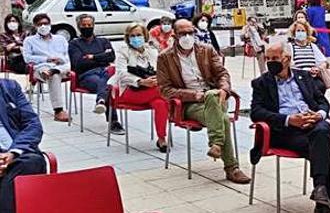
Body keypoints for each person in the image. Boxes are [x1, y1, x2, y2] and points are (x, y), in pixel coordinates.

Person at [250, 43, 330, 213]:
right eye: (267, 59)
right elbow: (256, 112)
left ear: (287, 59)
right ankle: (322, 203)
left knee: (321, 131)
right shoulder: (262, 83)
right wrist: (289, 119)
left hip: (310, 125)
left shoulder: (304, 76)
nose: (270, 62)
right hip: (284, 131)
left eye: (274, 58)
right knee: (322, 145)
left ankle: (321, 192)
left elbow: (322, 102)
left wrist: (318, 115)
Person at [157, 19, 250, 184]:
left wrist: (223, 89)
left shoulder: (206, 50)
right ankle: (231, 166)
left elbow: (222, 74)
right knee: (223, 119)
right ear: (174, 35)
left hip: (216, 97)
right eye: (182, 33)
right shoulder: (165, 57)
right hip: (189, 104)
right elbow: (165, 90)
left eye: (190, 32)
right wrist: (195, 95)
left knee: (212, 96)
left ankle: (217, 144)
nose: (187, 36)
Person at [0, 78, 46, 213]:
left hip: (15, 155)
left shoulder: (9, 88)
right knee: (23, 182)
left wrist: (12, 153)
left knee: (32, 163)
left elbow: (33, 124)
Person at [109, 23, 169, 152]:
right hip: (129, 91)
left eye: (139, 35)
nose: (136, 38)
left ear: (145, 36)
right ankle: (180, 110)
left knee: (160, 103)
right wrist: (141, 81)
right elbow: (121, 74)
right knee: (164, 92)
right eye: (132, 36)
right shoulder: (123, 51)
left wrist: (157, 79)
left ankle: (162, 138)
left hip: (152, 91)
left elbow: (162, 71)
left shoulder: (152, 51)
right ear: (128, 37)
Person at [68, 14, 124, 134]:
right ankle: (114, 121)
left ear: (93, 26)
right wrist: (101, 57)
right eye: (84, 25)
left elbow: (111, 56)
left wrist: (92, 57)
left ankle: (101, 101)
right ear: (79, 27)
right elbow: (79, 63)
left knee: (106, 82)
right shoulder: (74, 44)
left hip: (105, 71)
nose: (87, 27)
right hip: (87, 75)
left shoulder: (103, 41)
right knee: (106, 85)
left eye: (89, 25)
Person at [23, 14, 70, 122]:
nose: (43, 26)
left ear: (50, 24)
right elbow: (27, 58)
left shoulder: (60, 39)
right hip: (41, 68)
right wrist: (47, 59)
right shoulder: (29, 41)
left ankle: (53, 71)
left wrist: (58, 59)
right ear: (35, 26)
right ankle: (58, 110)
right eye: (40, 24)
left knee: (58, 71)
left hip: (61, 66)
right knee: (53, 75)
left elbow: (66, 56)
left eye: (45, 23)